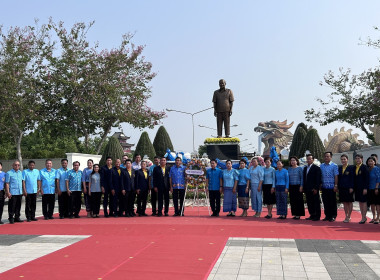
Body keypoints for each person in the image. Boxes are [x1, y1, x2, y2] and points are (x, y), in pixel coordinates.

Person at [320, 152, 339, 222]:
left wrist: (336, 185)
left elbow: (336, 176)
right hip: (324, 187)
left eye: (328, 156)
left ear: (331, 157)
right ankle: (327, 216)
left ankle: (333, 216)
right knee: (325, 202)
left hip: (332, 187)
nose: (326, 158)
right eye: (325, 156)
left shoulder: (334, 165)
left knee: (332, 202)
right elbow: (320, 176)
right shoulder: (321, 166)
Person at [303, 154, 322, 221]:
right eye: (307, 159)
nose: (308, 160)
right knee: (309, 202)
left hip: (314, 189)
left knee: (316, 202)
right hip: (307, 188)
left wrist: (316, 188)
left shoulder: (316, 168)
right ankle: (312, 214)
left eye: (310, 159)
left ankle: (317, 216)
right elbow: (304, 178)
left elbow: (318, 179)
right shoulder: (305, 168)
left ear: (313, 160)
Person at [338, 154, 355, 223]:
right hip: (342, 188)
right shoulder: (339, 168)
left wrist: (352, 187)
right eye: (342, 159)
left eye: (344, 159)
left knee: (349, 202)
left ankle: (349, 216)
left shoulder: (351, 168)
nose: (343, 160)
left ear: (347, 159)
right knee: (344, 202)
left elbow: (353, 178)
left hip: (349, 188)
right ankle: (346, 215)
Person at [354, 154, 370, 224]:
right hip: (357, 188)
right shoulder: (355, 167)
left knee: (364, 202)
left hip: (363, 188)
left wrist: (365, 188)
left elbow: (367, 179)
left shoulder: (365, 167)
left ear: (362, 159)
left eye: (359, 158)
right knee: (360, 202)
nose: (357, 160)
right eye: (356, 158)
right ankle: (362, 216)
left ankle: (364, 217)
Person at [367, 156, 380, 224]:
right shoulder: (368, 169)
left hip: (376, 189)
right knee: (372, 204)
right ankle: (374, 217)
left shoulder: (377, 169)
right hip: (370, 189)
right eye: (369, 161)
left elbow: (378, 179)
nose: (370, 162)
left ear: (374, 162)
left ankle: (378, 218)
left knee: (377, 204)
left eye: (372, 161)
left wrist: (376, 188)